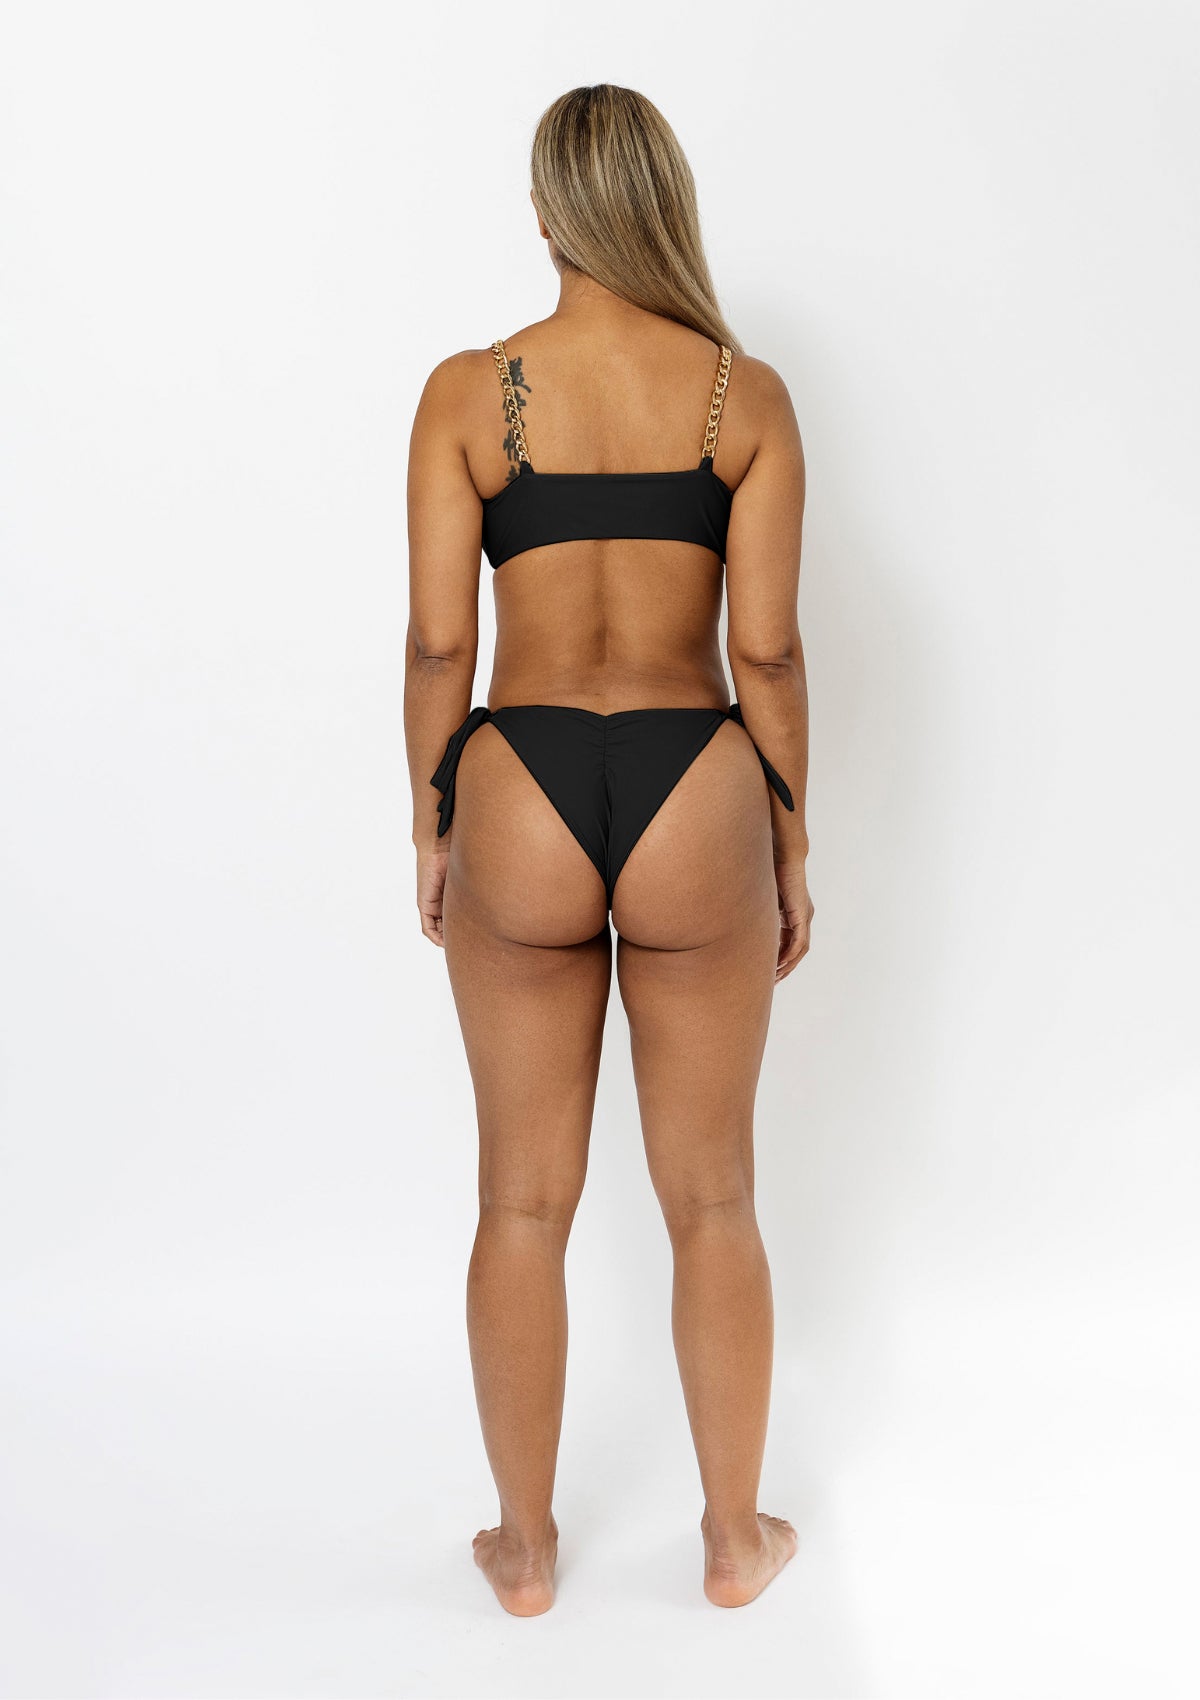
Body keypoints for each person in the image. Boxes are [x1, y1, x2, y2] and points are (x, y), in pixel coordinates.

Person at [405, 83, 813, 1617]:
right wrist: (788, 835)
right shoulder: (741, 400)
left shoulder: (469, 394)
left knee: (522, 1199)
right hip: (694, 777)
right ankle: (734, 1541)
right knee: (713, 1198)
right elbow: (764, 654)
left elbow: (440, 644)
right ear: (661, 199)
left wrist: (434, 820)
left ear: (545, 212)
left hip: (518, 781)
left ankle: (524, 1552)